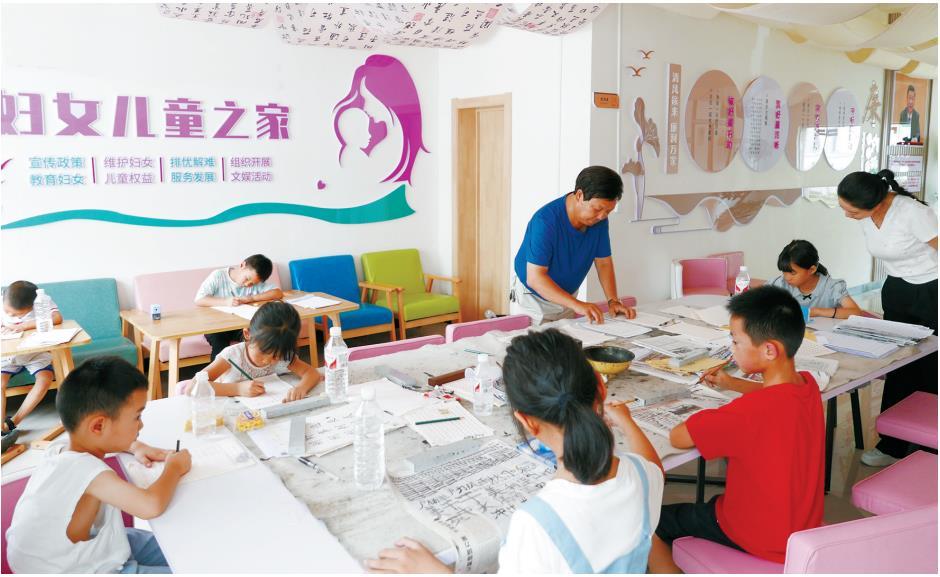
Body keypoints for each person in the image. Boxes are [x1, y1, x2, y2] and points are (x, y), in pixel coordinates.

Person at [365, 329, 664, 573]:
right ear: (601, 387)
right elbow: (652, 466)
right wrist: (627, 423)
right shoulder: (643, 477)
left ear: (527, 422)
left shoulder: (538, 525)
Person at [649, 286, 824, 570]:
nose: (732, 348)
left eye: (735, 341)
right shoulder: (807, 384)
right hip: (800, 526)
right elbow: (773, 395)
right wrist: (732, 384)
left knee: (647, 523)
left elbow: (678, 437)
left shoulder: (747, 413)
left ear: (769, 350)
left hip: (757, 536)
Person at [6, 357, 192, 573]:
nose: (141, 425)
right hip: (74, 569)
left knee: (180, 545)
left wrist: (136, 446)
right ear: (98, 426)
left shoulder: (60, 450)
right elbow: (150, 506)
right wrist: (174, 467)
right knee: (190, 560)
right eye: (137, 417)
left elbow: (99, 440)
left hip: (82, 550)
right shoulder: (88, 470)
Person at [837, 169, 937, 467]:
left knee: (930, 367)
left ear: (876, 202)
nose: (847, 216)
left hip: (932, 289)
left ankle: (929, 446)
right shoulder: (867, 215)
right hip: (897, 289)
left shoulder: (912, 213)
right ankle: (892, 443)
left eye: (852, 211)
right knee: (898, 363)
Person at [512, 166, 636, 325]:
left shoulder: (599, 220)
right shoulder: (545, 221)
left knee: (567, 340)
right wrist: (577, 305)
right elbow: (535, 278)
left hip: (567, 299)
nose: (602, 216)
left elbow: (603, 262)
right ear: (579, 195)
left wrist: (613, 300)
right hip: (533, 301)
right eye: (598, 209)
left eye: (608, 211)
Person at [181, 301, 320, 400]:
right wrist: (237, 389)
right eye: (263, 351)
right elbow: (192, 387)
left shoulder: (285, 355)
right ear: (247, 334)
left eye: (276, 356)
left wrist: (301, 388)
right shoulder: (232, 356)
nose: (268, 360)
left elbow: (312, 373)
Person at [2, 280, 64, 439]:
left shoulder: (41, 301)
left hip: (35, 352)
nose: (11, 316)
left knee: (45, 379)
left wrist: (22, 326)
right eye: (8, 312)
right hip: (9, 353)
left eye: (17, 314)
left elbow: (57, 318)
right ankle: (1, 425)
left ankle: (12, 422)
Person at [194, 254, 283, 360]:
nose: (247, 284)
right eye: (247, 278)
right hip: (216, 326)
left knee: (257, 339)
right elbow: (199, 300)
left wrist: (251, 298)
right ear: (242, 265)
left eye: (252, 284)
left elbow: (278, 293)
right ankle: (218, 370)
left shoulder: (256, 281)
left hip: (240, 326)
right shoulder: (218, 275)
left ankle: (252, 367)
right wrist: (225, 302)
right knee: (220, 345)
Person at [769, 239, 864, 320]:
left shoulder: (832, 287)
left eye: (793, 273)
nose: (787, 277)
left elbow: (856, 313)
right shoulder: (781, 283)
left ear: (812, 270)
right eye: (784, 272)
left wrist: (816, 311)